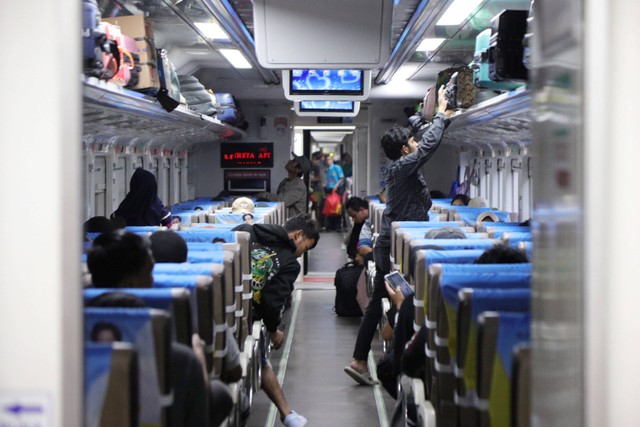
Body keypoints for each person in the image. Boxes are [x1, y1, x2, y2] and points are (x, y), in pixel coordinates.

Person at [344, 85, 454, 385]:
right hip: (396, 247)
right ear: (405, 150)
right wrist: (441, 118)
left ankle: (361, 360)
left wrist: (432, 113)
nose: (415, 143)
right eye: (411, 141)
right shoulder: (401, 168)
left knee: (386, 299)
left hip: (397, 243)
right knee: (407, 304)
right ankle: (398, 366)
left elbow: (421, 137)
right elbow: (427, 147)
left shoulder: (404, 165)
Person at [87, 231, 234, 426]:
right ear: (130, 283)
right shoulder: (175, 358)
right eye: (149, 272)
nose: (153, 280)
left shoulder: (71, 346)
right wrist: (197, 355)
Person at [233, 213, 319, 427]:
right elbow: (272, 303)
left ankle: (287, 413)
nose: (301, 255)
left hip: (223, 308)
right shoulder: (289, 263)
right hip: (246, 319)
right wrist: (274, 330)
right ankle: (287, 415)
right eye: (305, 248)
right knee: (260, 361)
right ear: (298, 235)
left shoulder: (247, 231)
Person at [276, 153, 311, 220]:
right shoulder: (285, 181)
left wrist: (263, 195)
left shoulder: (299, 185)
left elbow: (281, 200)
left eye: (293, 161)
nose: (289, 161)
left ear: (298, 170)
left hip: (293, 226)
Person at [344, 197, 373, 266]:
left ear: (361, 210)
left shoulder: (369, 221)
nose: (353, 219)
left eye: (354, 216)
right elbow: (351, 246)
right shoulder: (359, 223)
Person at [323, 154, 345, 231]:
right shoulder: (326, 169)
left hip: (337, 189)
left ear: (332, 160)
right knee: (329, 207)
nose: (328, 161)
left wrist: (336, 185)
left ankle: (338, 226)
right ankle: (330, 226)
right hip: (329, 190)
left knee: (337, 208)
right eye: (327, 160)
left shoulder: (336, 167)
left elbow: (342, 178)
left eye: (329, 159)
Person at [309, 151, 326, 227]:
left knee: (317, 206)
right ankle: (319, 223)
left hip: (317, 189)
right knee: (316, 206)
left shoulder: (317, 166)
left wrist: (310, 180)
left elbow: (319, 178)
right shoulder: (319, 166)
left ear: (315, 158)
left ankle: (319, 224)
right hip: (317, 189)